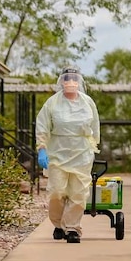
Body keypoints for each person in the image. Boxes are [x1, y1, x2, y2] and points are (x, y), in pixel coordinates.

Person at [35, 66, 100, 244]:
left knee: (78, 192)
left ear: (79, 82)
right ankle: (58, 224)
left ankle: (72, 228)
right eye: (67, 79)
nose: (70, 82)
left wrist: (94, 145)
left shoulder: (88, 103)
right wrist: (42, 148)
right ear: (61, 82)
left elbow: (95, 127)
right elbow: (42, 126)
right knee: (57, 191)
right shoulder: (52, 103)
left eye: (74, 79)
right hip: (57, 152)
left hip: (82, 153)